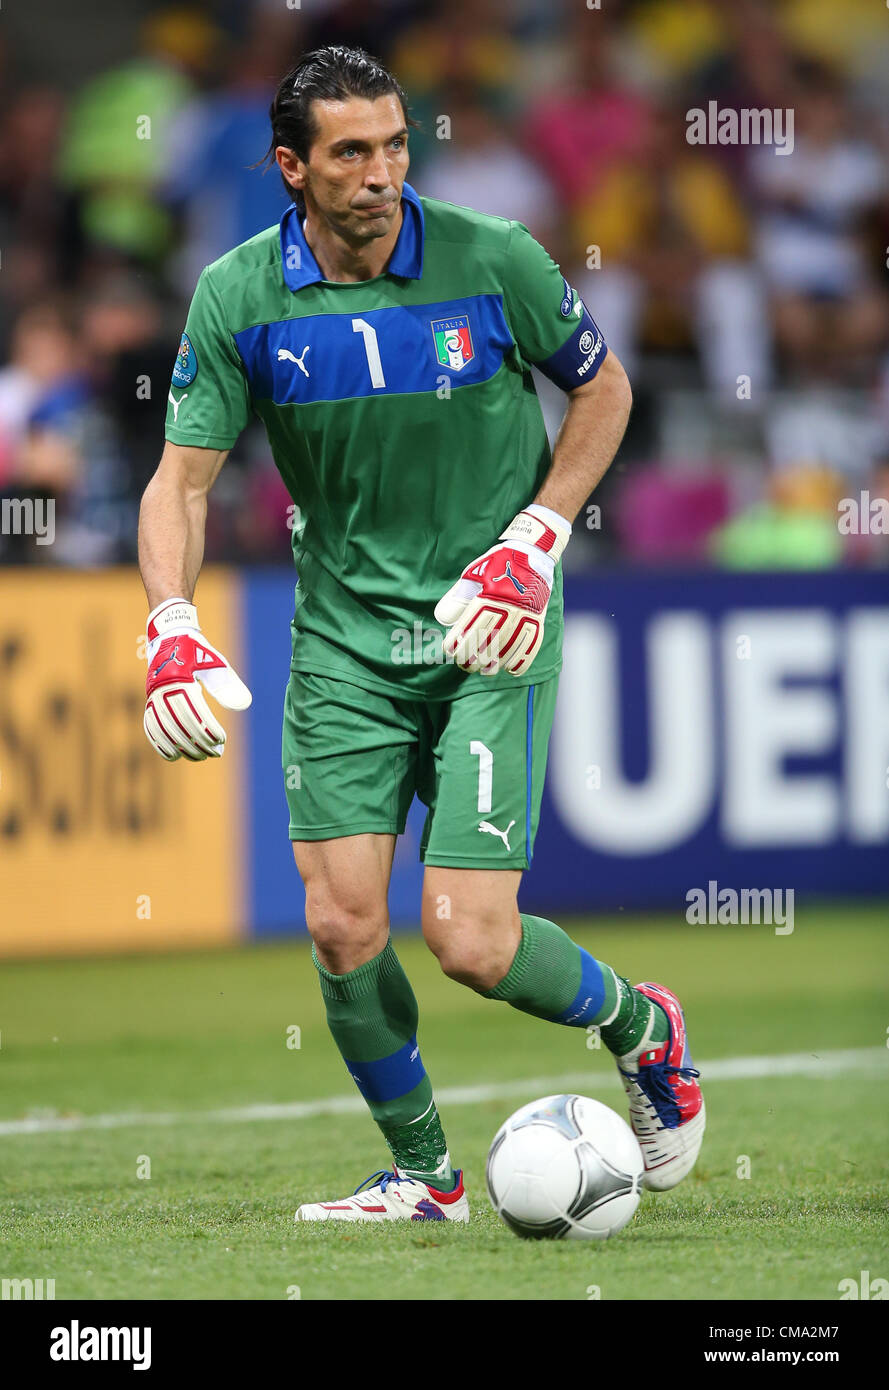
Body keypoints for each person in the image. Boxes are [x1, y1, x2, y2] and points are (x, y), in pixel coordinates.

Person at [137, 45, 704, 1224]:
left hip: (487, 625)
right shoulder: (241, 293)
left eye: (395, 145)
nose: (381, 172)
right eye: (350, 153)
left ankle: (641, 1023)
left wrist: (538, 538)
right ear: (292, 167)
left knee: (468, 939)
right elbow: (181, 483)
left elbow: (602, 390)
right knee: (343, 920)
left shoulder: (493, 257)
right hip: (346, 643)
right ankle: (427, 1175)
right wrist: (172, 621)